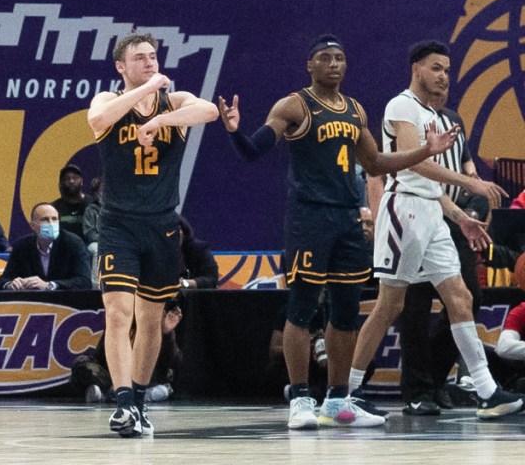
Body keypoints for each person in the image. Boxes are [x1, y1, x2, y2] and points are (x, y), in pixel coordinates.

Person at [217, 34, 459, 429]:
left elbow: (377, 162)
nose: (334, 64)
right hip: (309, 218)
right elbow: (253, 150)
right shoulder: (294, 105)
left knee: (346, 312)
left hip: (347, 218)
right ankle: (299, 398)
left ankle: (336, 399)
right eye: (325, 58)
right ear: (309, 64)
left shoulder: (354, 110)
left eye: (340, 58)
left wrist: (425, 151)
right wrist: (234, 132)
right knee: (303, 306)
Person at [346, 40, 522, 423]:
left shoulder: (441, 118)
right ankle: (350, 392)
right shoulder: (401, 105)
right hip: (403, 210)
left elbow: (434, 189)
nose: (444, 75)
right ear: (416, 68)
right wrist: (471, 184)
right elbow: (416, 168)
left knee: (460, 297)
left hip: (431, 212)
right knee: (390, 305)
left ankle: (488, 391)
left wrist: (460, 216)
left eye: (447, 69)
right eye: (436, 68)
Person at [87, 31, 219, 438]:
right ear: (120, 67)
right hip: (119, 225)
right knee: (117, 313)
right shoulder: (109, 100)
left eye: (152, 56)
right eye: (139, 58)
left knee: (150, 318)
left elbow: (210, 111)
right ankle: (123, 401)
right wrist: (144, 89)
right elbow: (97, 121)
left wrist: (160, 118)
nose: (149, 62)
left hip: (162, 225)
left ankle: (140, 401)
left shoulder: (174, 102)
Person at [398, 85, 486, 416]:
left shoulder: (453, 120)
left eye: (447, 75)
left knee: (470, 299)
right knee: (415, 305)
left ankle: (432, 377)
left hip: (453, 219)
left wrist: (472, 211)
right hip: (419, 215)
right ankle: (417, 390)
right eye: (436, 72)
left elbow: (470, 171)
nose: (443, 83)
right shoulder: (408, 118)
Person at [72, 300, 183, 405]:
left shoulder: (159, 329)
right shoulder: (121, 323)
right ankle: (120, 393)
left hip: (145, 376)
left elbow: (174, 362)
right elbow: (100, 357)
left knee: (167, 381)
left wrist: (166, 333)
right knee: (81, 363)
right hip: (116, 376)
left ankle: (109, 395)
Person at [0, 202, 92, 291]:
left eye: (54, 219)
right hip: (31, 304)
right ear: (32, 225)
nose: (51, 223)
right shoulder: (22, 246)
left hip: (66, 304)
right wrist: (10, 284)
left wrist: (49, 285)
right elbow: (2, 281)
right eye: (45, 220)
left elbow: (85, 281)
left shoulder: (73, 243)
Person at [51, 164, 91, 241]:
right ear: (60, 184)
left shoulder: (92, 204)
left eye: (75, 178)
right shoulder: (53, 208)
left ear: (81, 181)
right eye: (66, 178)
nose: (71, 181)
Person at [177, 215, 219, 290]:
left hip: (193, 297)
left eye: (178, 229)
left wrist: (184, 283)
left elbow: (212, 280)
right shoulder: (153, 251)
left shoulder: (198, 249)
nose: (174, 234)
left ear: (184, 231)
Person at [82, 177, 103, 288]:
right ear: (95, 193)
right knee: (97, 250)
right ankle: (96, 287)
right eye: (101, 190)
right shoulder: (91, 210)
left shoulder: (116, 210)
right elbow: (89, 234)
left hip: (114, 242)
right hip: (95, 242)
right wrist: (106, 240)